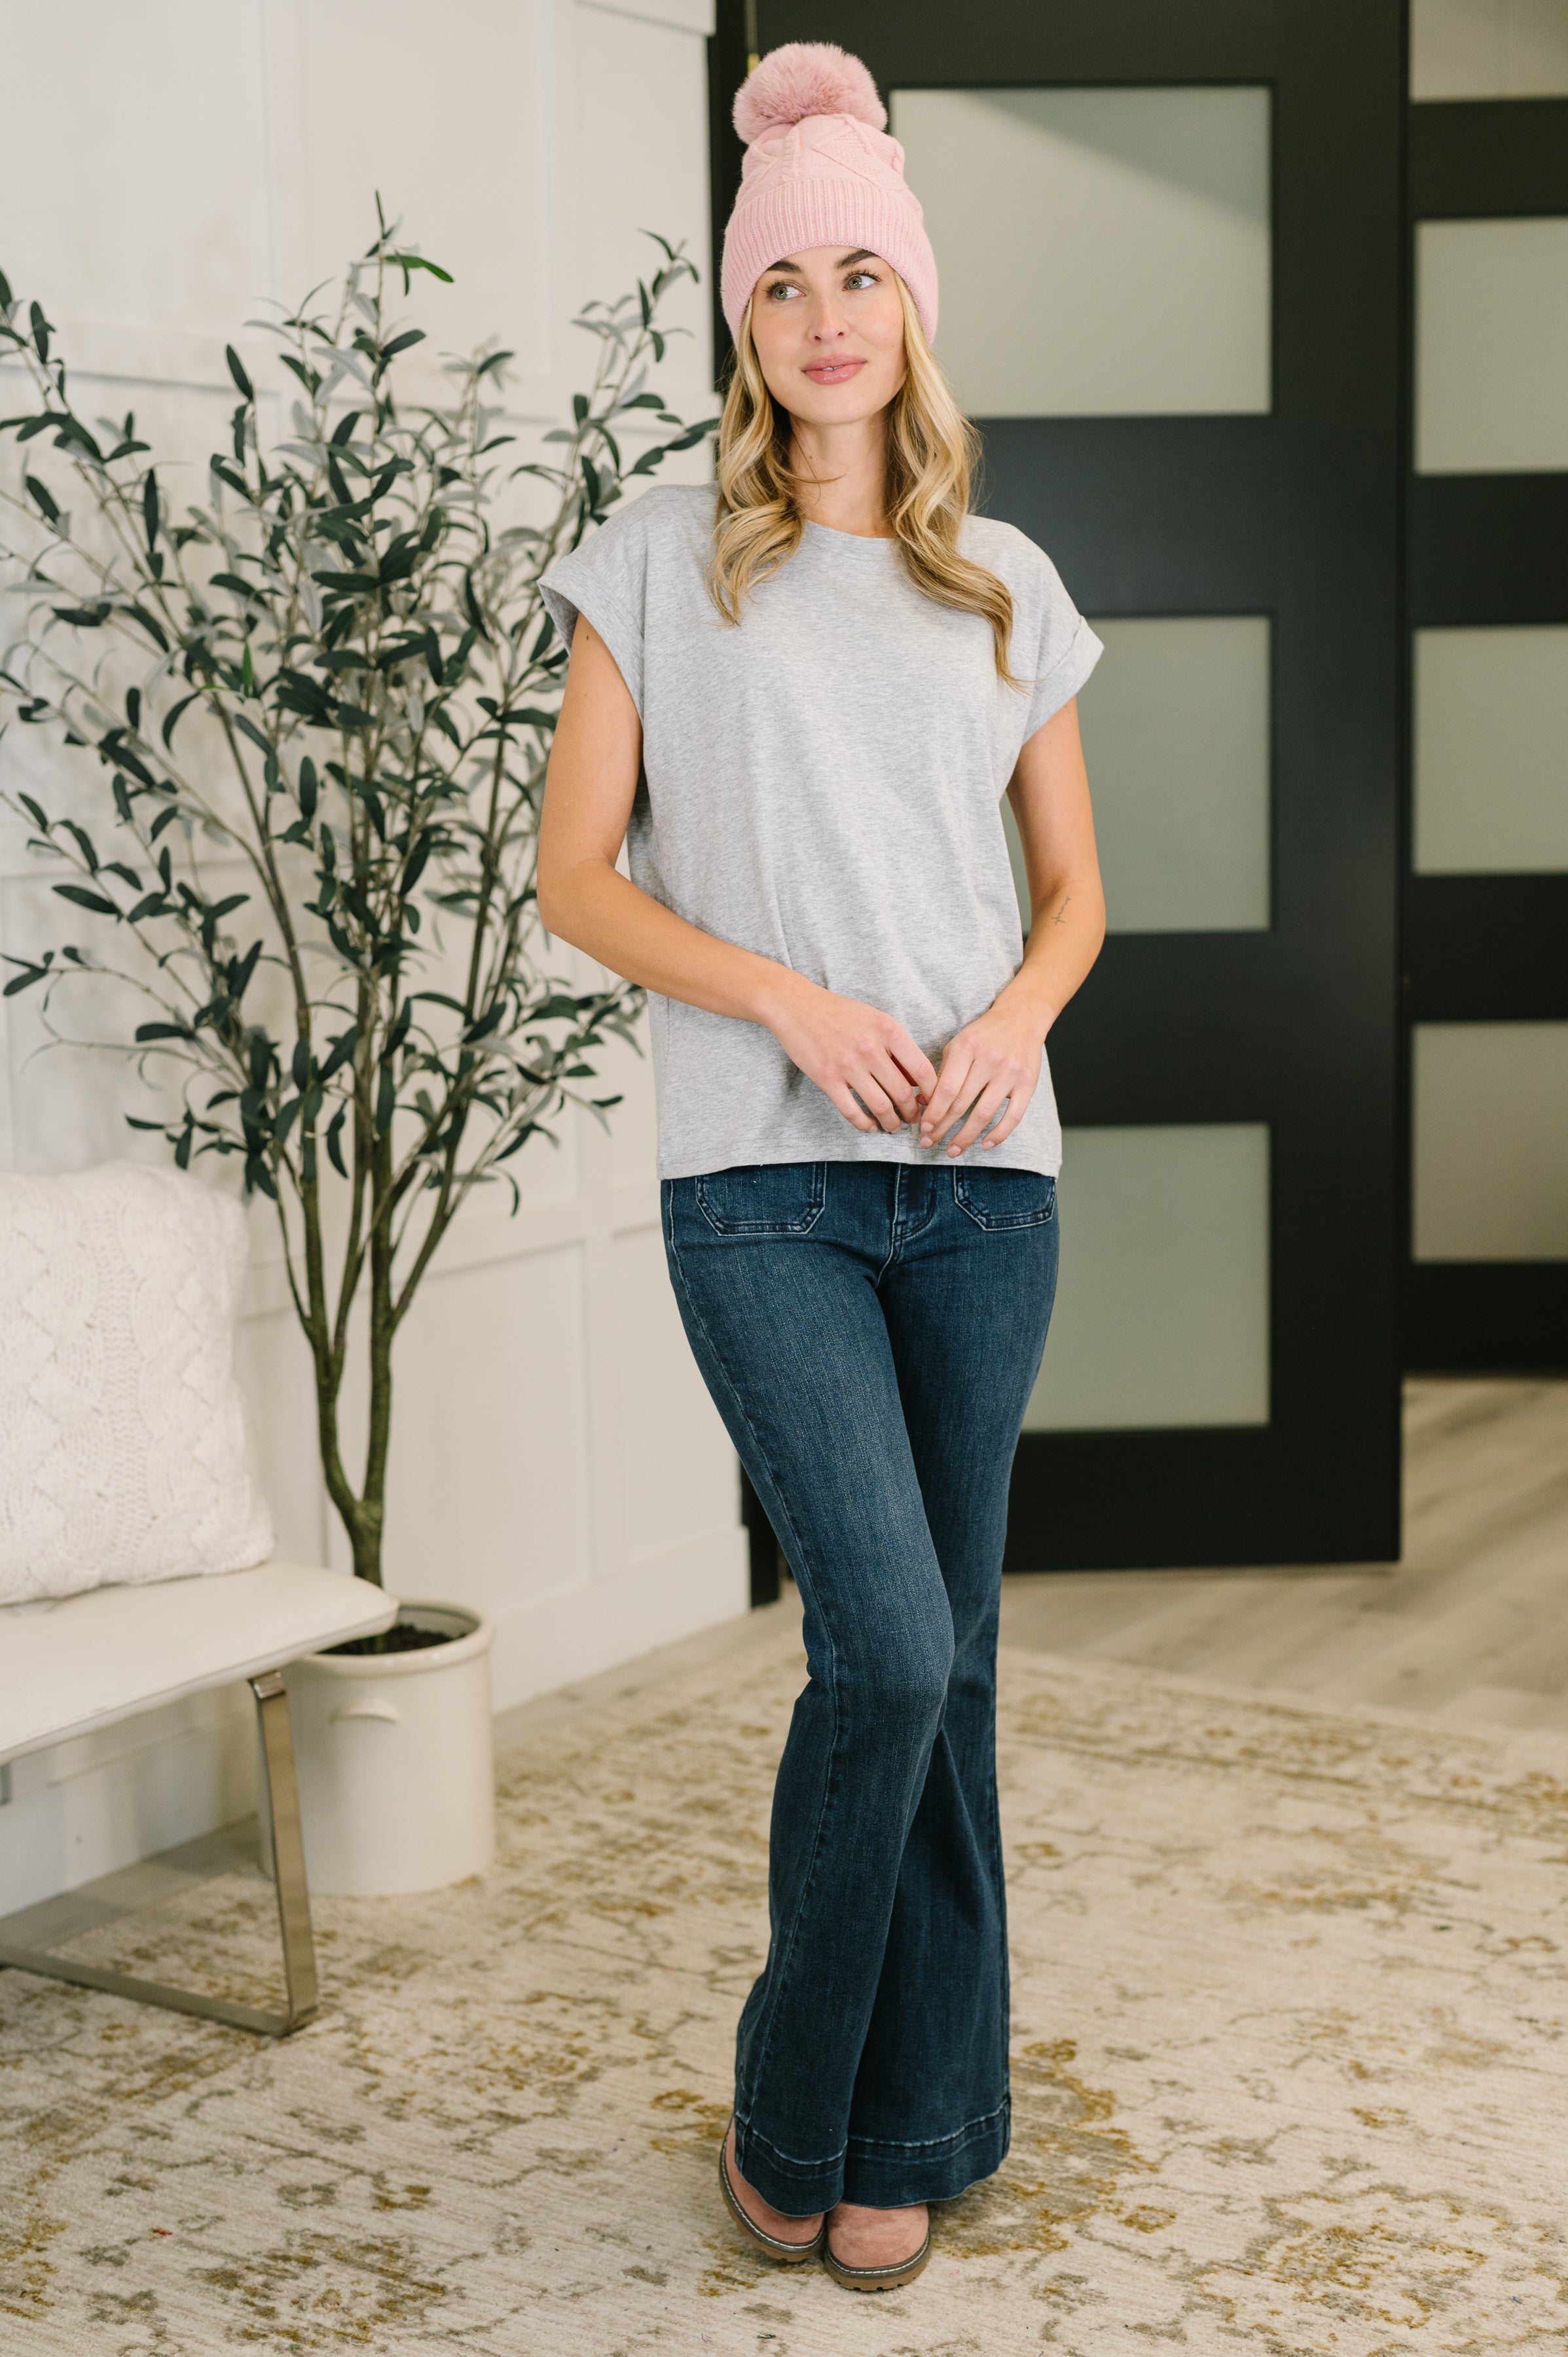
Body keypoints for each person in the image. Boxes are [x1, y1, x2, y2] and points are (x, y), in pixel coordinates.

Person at [538, 39, 1105, 2295]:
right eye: (784, 283)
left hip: (982, 1186)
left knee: (951, 1664)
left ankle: (917, 2130)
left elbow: (1075, 898)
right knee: (877, 1639)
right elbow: (578, 880)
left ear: (912, 305)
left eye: (861, 274)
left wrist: (1008, 1025)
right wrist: (786, 997)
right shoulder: (658, 560)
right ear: (743, 321)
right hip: (760, 1182)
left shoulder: (1005, 585)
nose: (826, 318)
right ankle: (793, 2105)